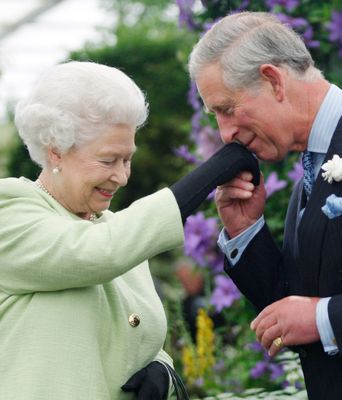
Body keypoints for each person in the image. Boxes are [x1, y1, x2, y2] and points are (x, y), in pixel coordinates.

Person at [0, 61, 259, 400]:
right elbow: (96, 253)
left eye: (127, 159)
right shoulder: (11, 211)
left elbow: (139, 338)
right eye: (108, 161)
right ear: (56, 152)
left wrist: (163, 371)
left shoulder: (116, 231)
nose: (122, 177)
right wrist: (211, 173)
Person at [188, 11, 342, 400]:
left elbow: (313, 316)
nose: (225, 133)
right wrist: (245, 231)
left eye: (227, 108)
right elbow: (290, 309)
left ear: (273, 80)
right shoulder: (311, 163)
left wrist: (325, 319)